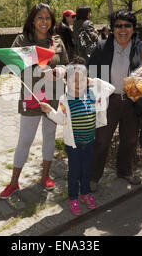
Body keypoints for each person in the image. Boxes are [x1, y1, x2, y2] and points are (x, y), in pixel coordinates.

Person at [0, 3, 69, 199]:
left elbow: (65, 65)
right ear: (32, 20)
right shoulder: (23, 40)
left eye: (47, 18)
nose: (44, 22)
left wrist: (59, 71)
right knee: (25, 140)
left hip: (54, 96)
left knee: (49, 137)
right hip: (31, 95)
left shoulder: (57, 41)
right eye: (40, 17)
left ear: (52, 21)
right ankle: (14, 183)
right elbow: (11, 61)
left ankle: (45, 176)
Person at [40, 57, 115, 215]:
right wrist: (50, 112)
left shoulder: (92, 94)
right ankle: (73, 197)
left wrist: (89, 80)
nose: (78, 83)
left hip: (89, 142)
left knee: (87, 169)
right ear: (66, 81)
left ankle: (85, 194)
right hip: (73, 145)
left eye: (81, 79)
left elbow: (110, 88)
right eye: (74, 80)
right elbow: (61, 119)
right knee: (74, 171)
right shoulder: (65, 100)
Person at [87, 9, 142, 191]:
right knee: (102, 141)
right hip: (107, 101)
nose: (122, 29)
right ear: (112, 29)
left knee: (129, 139)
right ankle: (93, 176)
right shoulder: (102, 47)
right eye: (118, 26)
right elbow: (91, 73)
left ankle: (124, 171)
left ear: (133, 28)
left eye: (127, 25)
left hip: (132, 101)